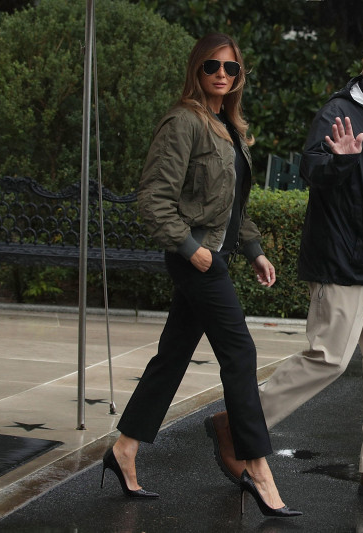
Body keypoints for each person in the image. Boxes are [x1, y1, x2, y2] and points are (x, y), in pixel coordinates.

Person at [205, 35, 363, 501]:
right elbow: (314, 172)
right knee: (328, 359)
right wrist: (343, 162)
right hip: (344, 261)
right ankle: (236, 425)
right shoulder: (339, 111)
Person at [100, 33, 301, 518]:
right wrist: (192, 251)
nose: (221, 74)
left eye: (231, 69)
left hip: (216, 255)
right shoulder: (183, 122)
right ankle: (256, 466)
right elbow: (153, 198)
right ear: (197, 69)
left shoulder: (227, 127)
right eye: (212, 65)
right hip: (197, 258)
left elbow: (232, 205)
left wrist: (253, 250)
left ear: (239, 77)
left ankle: (124, 448)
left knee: (172, 357)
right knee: (240, 351)